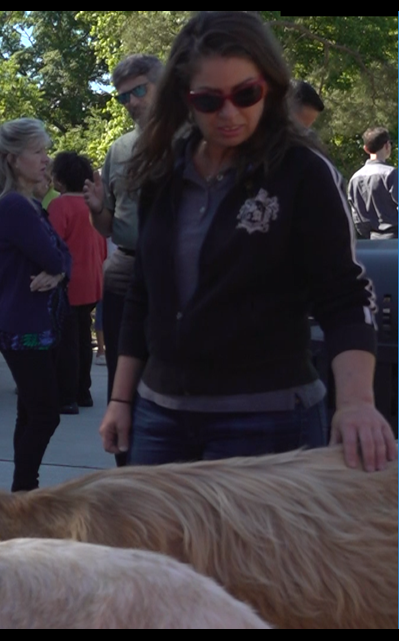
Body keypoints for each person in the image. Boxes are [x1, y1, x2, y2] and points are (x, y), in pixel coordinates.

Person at [91, 11, 397, 473]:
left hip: (269, 421)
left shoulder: (303, 173)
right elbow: (143, 294)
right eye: (209, 99)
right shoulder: (161, 172)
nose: (230, 113)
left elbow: (345, 295)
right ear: (184, 99)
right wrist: (120, 398)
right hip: (161, 417)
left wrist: (356, 403)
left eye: (246, 93)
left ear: (269, 87)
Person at [0, 118, 71, 491]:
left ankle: (22, 492)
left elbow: (63, 257)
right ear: (13, 158)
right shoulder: (15, 207)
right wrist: (57, 269)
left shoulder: (27, 204)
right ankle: (25, 491)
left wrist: (57, 272)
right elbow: (58, 258)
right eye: (38, 151)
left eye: (46, 150)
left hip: (28, 323)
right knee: (45, 414)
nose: (46, 159)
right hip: (25, 325)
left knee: (30, 411)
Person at [84, 52, 163, 466]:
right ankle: (127, 466)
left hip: (175, 271)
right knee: (122, 374)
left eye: (138, 91)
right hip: (125, 269)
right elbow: (108, 226)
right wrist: (97, 208)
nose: (131, 102)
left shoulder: (195, 139)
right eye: (122, 97)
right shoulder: (119, 149)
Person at [48, 152, 107, 410]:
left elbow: (51, 244)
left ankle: (68, 395)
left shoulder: (60, 206)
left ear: (60, 180)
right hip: (92, 281)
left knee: (67, 342)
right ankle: (84, 391)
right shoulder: (92, 205)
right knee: (83, 338)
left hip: (69, 282)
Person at [347, 127, 397, 239]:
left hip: (372, 241)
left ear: (366, 149)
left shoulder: (355, 178)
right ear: (387, 145)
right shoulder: (391, 174)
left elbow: (357, 217)